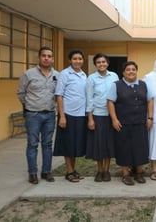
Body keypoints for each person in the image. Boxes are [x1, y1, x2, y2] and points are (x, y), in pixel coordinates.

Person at [17, 46, 59, 184]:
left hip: (50, 114)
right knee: (32, 144)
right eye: (44, 56)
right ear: (39, 58)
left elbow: (59, 94)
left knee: (47, 144)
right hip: (33, 115)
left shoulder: (57, 75)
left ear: (52, 59)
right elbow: (21, 93)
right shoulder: (28, 74)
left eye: (49, 56)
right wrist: (29, 105)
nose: (46, 58)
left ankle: (46, 172)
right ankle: (32, 173)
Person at [107, 61, 153, 186]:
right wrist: (114, 119)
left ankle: (139, 173)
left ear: (136, 71)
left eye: (133, 69)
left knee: (140, 147)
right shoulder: (116, 85)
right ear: (123, 72)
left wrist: (150, 118)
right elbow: (110, 102)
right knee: (124, 148)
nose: (131, 71)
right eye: (128, 69)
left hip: (140, 123)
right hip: (123, 123)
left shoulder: (143, 85)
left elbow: (150, 101)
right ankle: (126, 174)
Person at [53, 49, 88, 183]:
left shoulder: (84, 75)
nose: (77, 61)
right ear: (70, 60)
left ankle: (73, 170)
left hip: (81, 115)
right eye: (75, 59)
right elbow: (59, 95)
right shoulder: (65, 74)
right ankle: (69, 171)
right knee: (68, 144)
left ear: (83, 61)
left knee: (76, 145)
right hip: (68, 114)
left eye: (80, 59)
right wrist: (62, 116)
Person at [85, 53, 119, 182]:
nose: (101, 64)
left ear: (107, 63)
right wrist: (90, 118)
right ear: (95, 65)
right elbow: (89, 98)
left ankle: (107, 170)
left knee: (108, 144)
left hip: (111, 115)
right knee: (98, 144)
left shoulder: (114, 76)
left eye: (103, 62)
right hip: (97, 115)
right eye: (98, 62)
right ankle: (99, 171)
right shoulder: (91, 78)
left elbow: (117, 94)